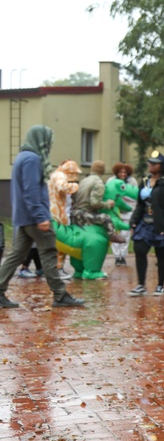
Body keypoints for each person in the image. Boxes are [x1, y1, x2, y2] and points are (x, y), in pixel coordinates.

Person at [0, 126, 85, 309]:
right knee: (48, 252)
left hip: (24, 216)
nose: (49, 144)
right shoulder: (32, 159)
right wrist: (41, 216)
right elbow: (31, 191)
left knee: (16, 255)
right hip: (34, 217)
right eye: (48, 141)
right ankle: (60, 294)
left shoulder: (22, 156)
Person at [128, 152, 164, 296]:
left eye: (155, 163)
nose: (151, 166)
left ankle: (160, 285)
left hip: (162, 224)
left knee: (162, 255)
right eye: (150, 163)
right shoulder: (145, 180)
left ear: (161, 166)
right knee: (139, 250)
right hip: (145, 222)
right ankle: (141, 284)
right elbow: (140, 204)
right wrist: (133, 220)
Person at [71, 160, 123, 244]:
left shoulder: (84, 180)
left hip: (74, 213)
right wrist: (108, 204)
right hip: (84, 214)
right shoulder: (98, 183)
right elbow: (95, 203)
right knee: (106, 218)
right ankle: (112, 235)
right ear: (102, 171)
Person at [107, 163, 139, 266]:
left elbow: (135, 195)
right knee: (115, 234)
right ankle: (117, 257)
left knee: (126, 234)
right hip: (115, 212)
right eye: (120, 172)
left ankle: (123, 256)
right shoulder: (111, 180)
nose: (123, 174)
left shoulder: (132, 181)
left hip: (128, 211)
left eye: (125, 172)